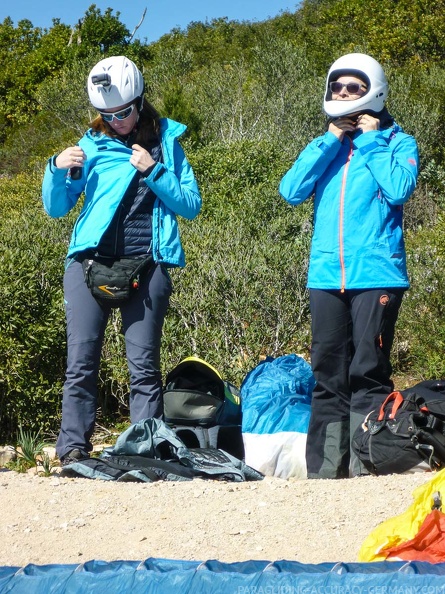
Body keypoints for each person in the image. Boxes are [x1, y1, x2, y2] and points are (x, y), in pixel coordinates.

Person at [42, 56, 202, 466]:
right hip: (88, 265)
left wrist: (154, 171)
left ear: (140, 101)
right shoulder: (90, 145)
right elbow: (57, 207)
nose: (116, 120)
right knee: (81, 362)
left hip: (148, 265)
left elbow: (191, 205)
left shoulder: (167, 143)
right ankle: (72, 449)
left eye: (124, 112)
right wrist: (55, 169)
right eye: (107, 114)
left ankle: (145, 450)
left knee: (144, 366)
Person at [279, 53, 419, 479]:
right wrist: (328, 141)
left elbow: (398, 189)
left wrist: (371, 141)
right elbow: (290, 190)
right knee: (326, 375)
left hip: (376, 274)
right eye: (337, 87)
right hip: (325, 277)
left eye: (352, 87)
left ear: (373, 90)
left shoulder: (398, 142)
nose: (342, 94)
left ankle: (365, 466)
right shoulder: (327, 143)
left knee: (368, 372)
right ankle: (324, 473)